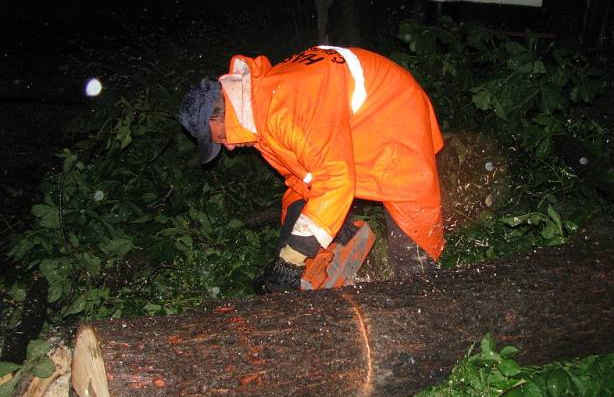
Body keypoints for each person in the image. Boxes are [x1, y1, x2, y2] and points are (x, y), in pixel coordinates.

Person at [178, 45, 445, 291]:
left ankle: (424, 295)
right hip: (356, 122)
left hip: (393, 112)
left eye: (221, 138)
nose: (230, 147)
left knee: (413, 239)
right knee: (315, 217)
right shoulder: (259, 107)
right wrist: (287, 242)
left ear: (220, 114)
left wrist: (293, 256)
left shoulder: (283, 112)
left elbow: (334, 179)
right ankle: (343, 232)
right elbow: (302, 177)